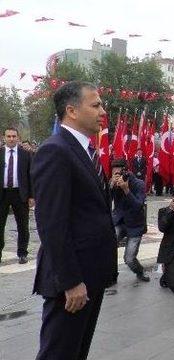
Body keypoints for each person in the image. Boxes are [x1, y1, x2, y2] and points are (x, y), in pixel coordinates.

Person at [32, 81, 116, 360]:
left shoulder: (84, 149)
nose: (103, 111)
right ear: (72, 111)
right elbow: (52, 224)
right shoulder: (55, 150)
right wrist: (71, 282)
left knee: (76, 353)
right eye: (95, 105)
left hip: (90, 275)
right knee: (58, 354)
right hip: (72, 282)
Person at [110, 158, 149, 282]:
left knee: (129, 259)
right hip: (120, 221)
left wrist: (126, 190)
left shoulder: (138, 184)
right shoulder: (113, 182)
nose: (116, 176)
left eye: (118, 173)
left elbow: (138, 206)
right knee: (108, 246)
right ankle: (112, 274)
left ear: (125, 171)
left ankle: (139, 271)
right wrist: (110, 187)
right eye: (114, 173)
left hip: (135, 224)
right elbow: (104, 201)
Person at [0, 127, 33, 264]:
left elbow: (31, 176)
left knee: (23, 225)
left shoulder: (26, 154)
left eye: (14, 136)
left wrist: (32, 196)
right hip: (2, 194)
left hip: (20, 194)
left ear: (18, 138)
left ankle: (22, 253)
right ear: (4, 138)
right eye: (9, 136)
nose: (11, 139)